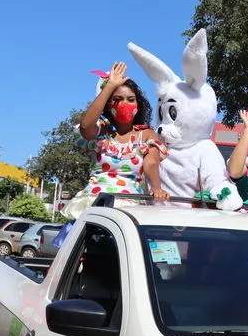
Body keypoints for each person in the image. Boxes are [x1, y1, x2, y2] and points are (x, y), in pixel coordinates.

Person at [62, 61, 170, 220]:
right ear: (108, 104)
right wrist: (110, 86)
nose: (124, 104)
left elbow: (151, 163)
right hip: (95, 202)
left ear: (138, 105)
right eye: (117, 99)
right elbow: (86, 126)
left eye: (130, 99)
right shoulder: (100, 131)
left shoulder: (146, 135)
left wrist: (156, 188)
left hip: (131, 207)